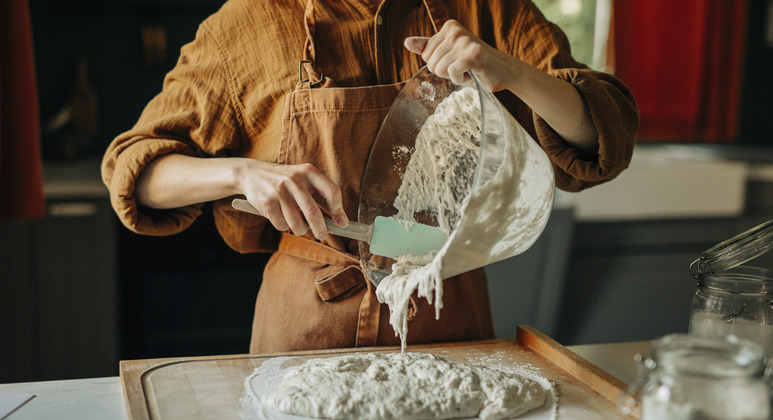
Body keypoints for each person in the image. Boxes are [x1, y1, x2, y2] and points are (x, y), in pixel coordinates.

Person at [102, 0, 639, 354]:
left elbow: (603, 136)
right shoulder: (242, 27)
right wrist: (242, 174)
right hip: (304, 321)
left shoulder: (484, 8)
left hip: (445, 307)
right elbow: (138, 173)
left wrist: (513, 72)